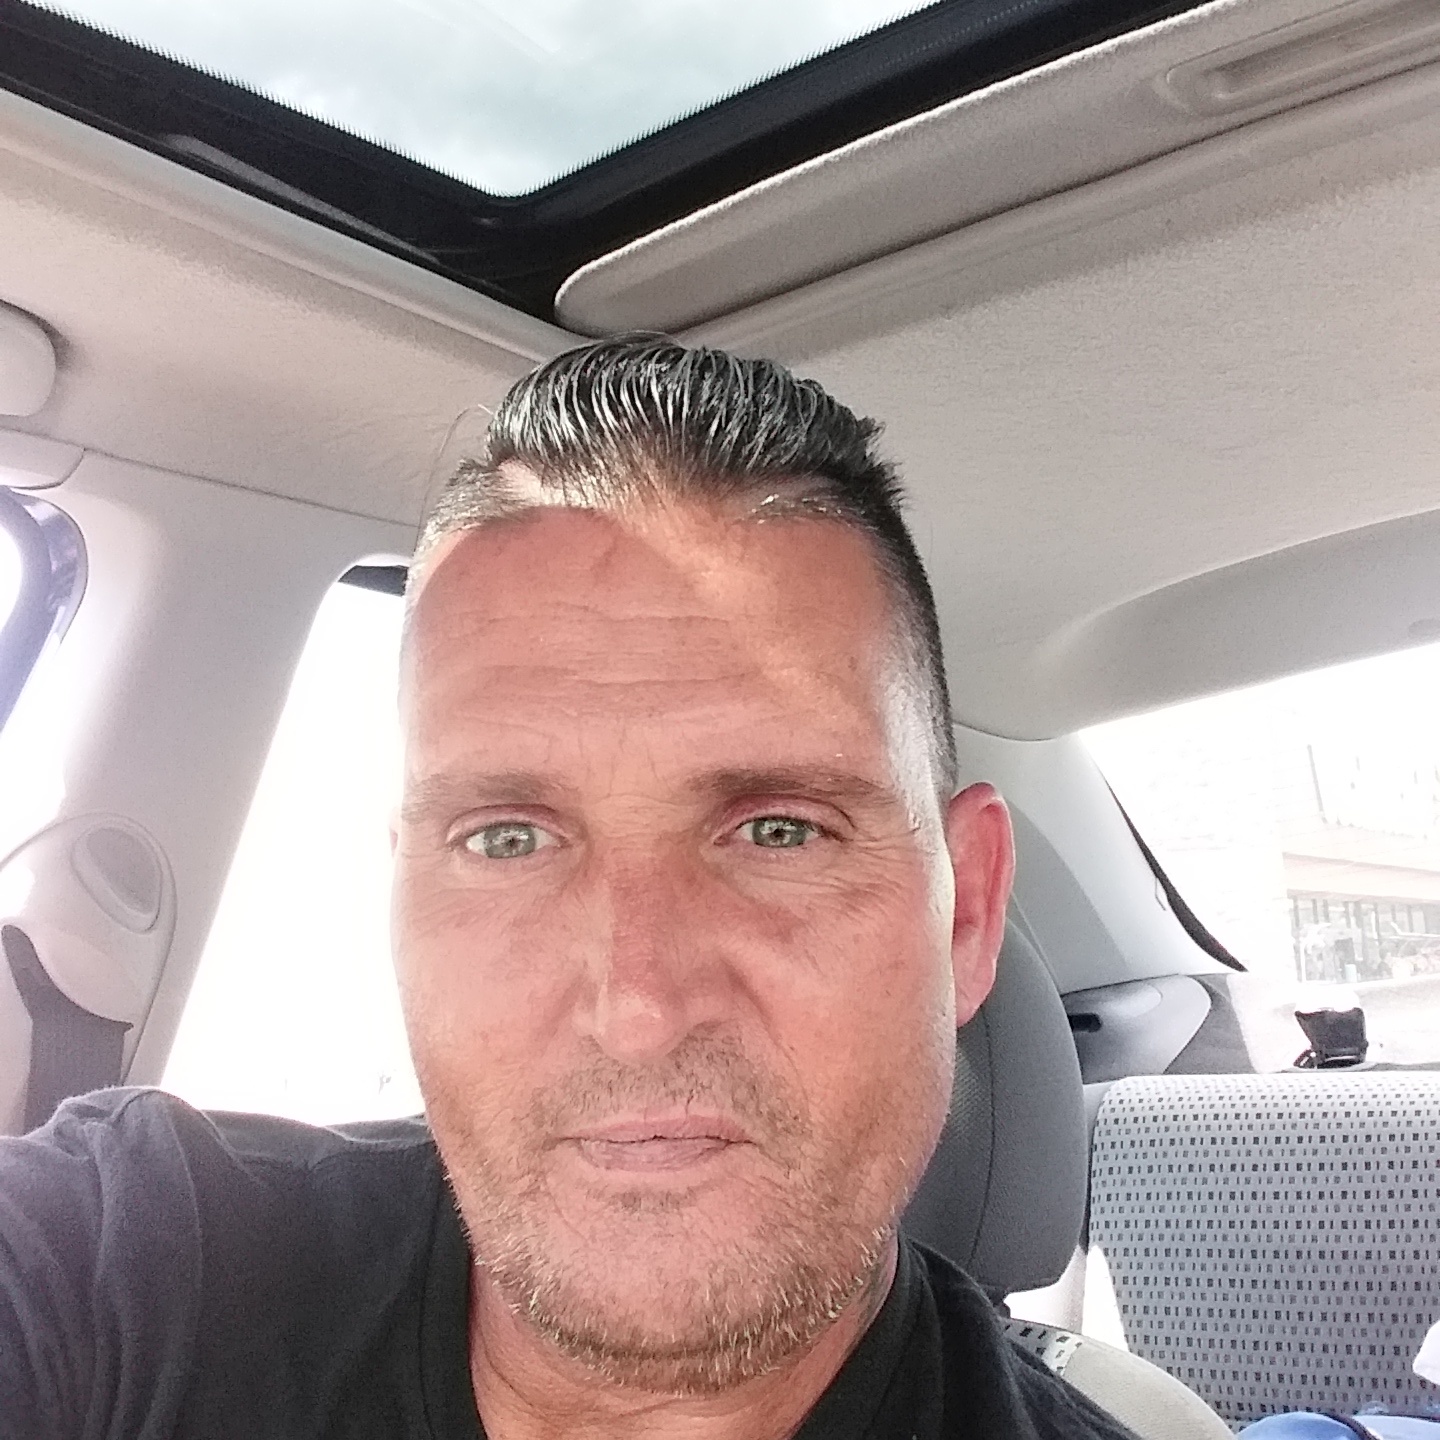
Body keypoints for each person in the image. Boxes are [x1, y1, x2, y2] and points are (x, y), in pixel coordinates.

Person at [0, 337, 1139, 1439]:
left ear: (966, 914)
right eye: (506, 840)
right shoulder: (131, 1268)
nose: (636, 1008)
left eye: (780, 831)